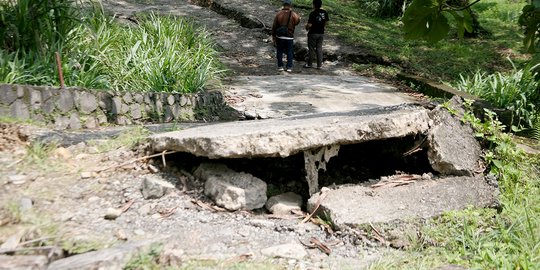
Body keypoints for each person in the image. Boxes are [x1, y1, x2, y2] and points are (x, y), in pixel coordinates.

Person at [272, 0, 300, 72]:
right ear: (290, 5)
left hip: (280, 36)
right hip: (289, 36)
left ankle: (280, 66)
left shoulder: (279, 14)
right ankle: (289, 67)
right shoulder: (293, 14)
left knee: (280, 51)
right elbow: (297, 22)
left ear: (283, 5)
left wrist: (273, 36)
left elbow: (274, 26)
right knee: (290, 51)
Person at [304, 0, 329, 69]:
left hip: (313, 33)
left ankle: (309, 64)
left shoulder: (313, 13)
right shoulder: (324, 12)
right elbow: (326, 22)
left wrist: (306, 26)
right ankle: (319, 65)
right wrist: (323, 27)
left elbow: (309, 25)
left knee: (311, 49)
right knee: (319, 48)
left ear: (314, 5)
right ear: (321, 5)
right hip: (321, 33)